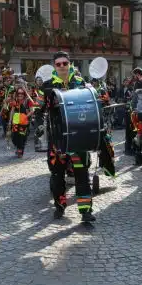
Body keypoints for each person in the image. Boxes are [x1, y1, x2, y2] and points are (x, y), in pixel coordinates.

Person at [42, 51, 95, 224]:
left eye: (65, 63)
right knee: (57, 176)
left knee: (81, 174)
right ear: (55, 66)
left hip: (78, 135)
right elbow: (46, 108)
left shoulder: (80, 83)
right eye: (59, 64)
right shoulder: (48, 86)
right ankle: (59, 206)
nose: (62, 66)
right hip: (58, 138)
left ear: (70, 64)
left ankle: (86, 211)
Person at [8, 87, 36, 158]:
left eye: (22, 93)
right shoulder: (15, 100)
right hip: (16, 120)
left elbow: (32, 110)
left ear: (24, 94)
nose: (20, 95)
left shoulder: (28, 101)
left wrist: (25, 117)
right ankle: (18, 147)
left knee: (22, 136)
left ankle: (20, 150)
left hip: (24, 121)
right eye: (18, 93)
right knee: (14, 136)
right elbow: (12, 111)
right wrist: (10, 121)